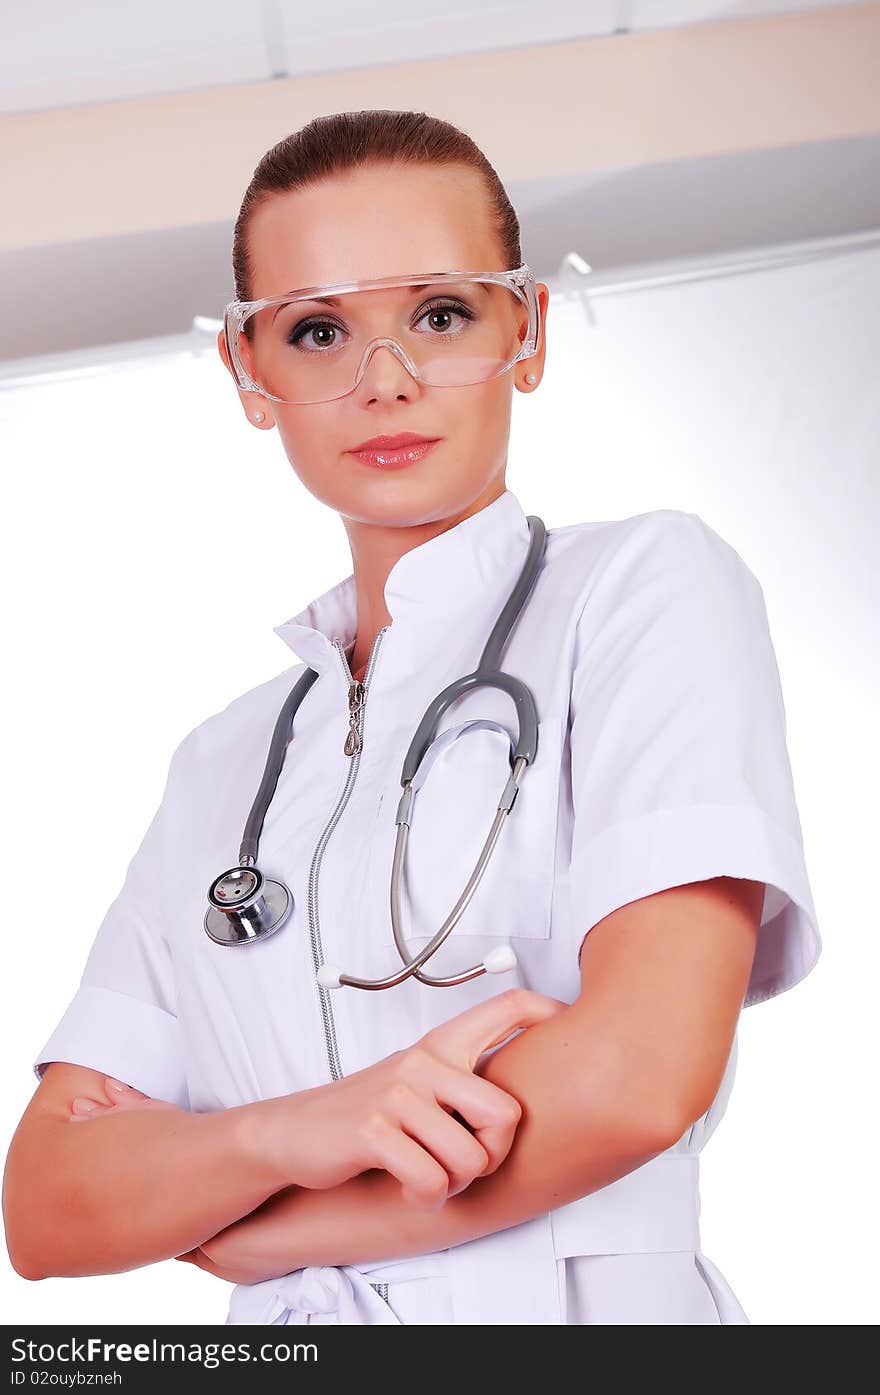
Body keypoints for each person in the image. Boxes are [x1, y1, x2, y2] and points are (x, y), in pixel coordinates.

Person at [4, 109, 822, 1325]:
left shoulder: (642, 590)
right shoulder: (222, 764)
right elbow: (49, 1205)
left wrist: (256, 1213)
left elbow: (637, 1082)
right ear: (250, 373)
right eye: (318, 329)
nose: (383, 378)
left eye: (439, 315)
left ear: (526, 332)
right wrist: (311, 1126)